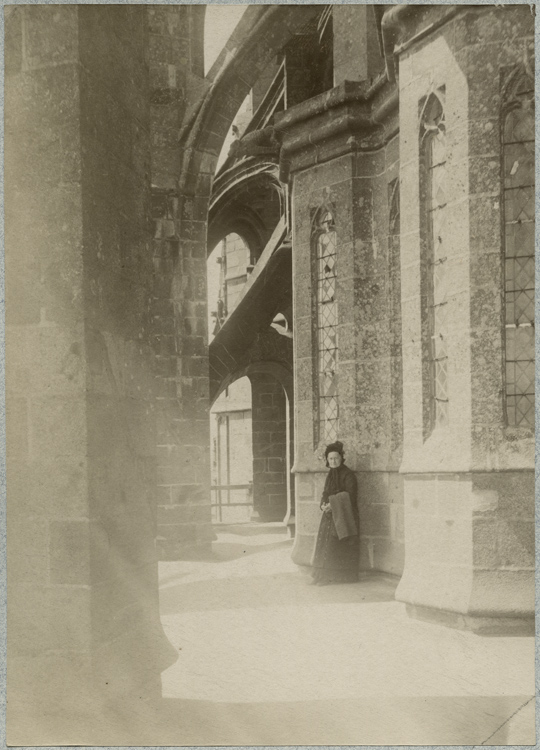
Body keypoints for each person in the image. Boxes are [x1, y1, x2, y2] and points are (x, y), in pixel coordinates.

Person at [311, 441, 359, 585]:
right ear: (327, 460)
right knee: (324, 545)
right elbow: (325, 492)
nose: (333, 461)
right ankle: (321, 576)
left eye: (336, 458)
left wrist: (333, 504)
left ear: (341, 458)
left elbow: (350, 495)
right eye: (330, 459)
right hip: (330, 514)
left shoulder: (349, 475)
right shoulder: (330, 474)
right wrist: (324, 505)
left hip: (345, 515)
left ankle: (336, 577)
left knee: (336, 545)